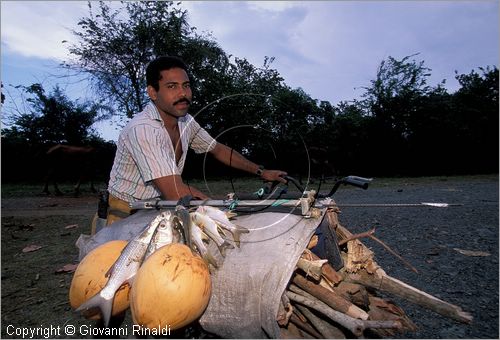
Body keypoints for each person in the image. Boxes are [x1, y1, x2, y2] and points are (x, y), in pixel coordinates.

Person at [105, 56, 287, 225]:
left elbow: (218, 149)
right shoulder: (143, 129)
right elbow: (175, 192)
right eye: (172, 86)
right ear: (153, 92)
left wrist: (262, 172)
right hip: (126, 213)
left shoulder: (186, 122)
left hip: (160, 207)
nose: (183, 93)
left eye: (186, 85)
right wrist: (218, 211)